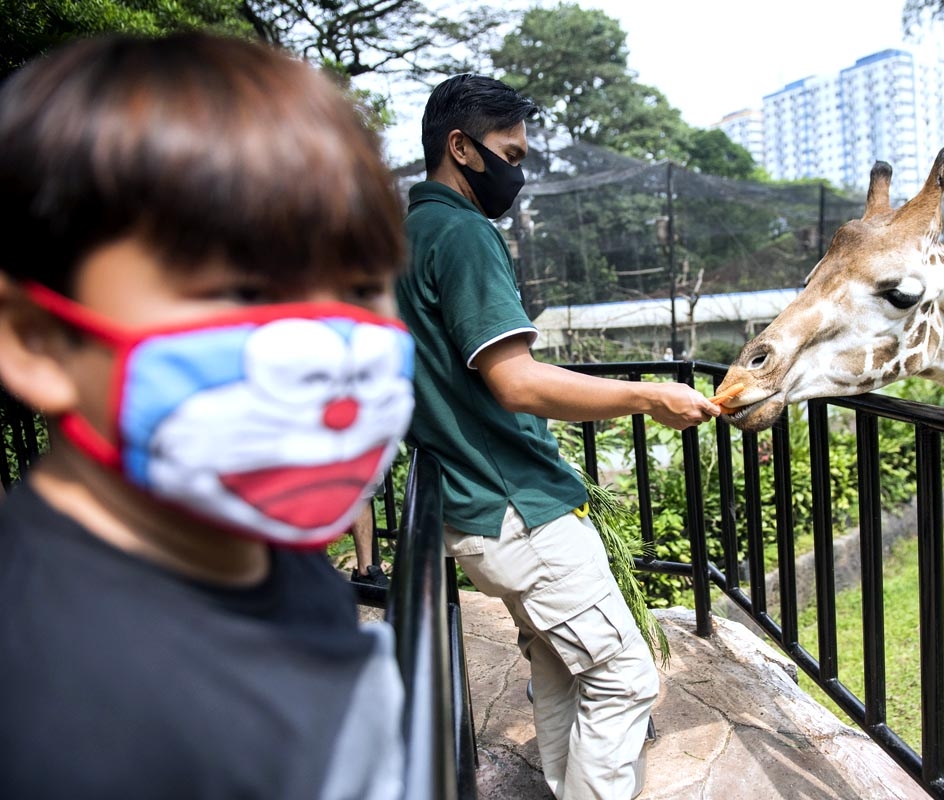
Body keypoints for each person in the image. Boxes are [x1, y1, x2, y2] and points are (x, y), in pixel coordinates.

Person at [0, 33, 415, 799]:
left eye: (361, 288)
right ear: (37, 341)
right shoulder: (44, 716)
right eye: (247, 293)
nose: (331, 346)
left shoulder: (273, 555)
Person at [396, 73, 721, 799]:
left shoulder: (405, 236)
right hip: (517, 506)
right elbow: (516, 381)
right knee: (625, 676)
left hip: (472, 505)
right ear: (461, 147)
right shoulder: (463, 233)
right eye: (510, 152)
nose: (519, 169)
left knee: (558, 665)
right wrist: (648, 394)